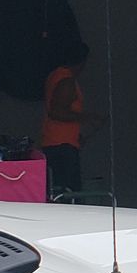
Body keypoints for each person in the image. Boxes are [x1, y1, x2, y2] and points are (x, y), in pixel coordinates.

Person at [39, 42, 100, 198]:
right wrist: (87, 117)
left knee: (59, 191)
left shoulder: (54, 76)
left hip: (57, 142)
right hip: (63, 147)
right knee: (69, 193)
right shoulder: (66, 81)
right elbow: (56, 112)